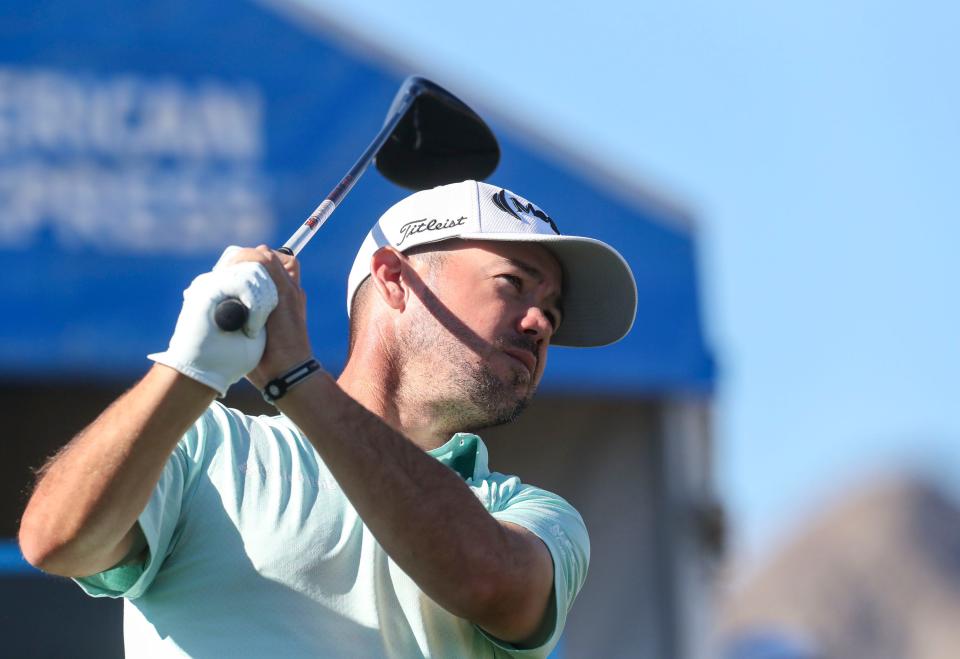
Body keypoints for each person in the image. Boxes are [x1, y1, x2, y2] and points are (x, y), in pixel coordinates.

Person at [18, 179, 637, 658]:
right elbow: (56, 540)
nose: (539, 325)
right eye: (513, 285)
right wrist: (188, 369)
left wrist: (293, 377)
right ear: (395, 279)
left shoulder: (533, 517)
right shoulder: (208, 444)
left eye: (552, 314)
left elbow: (488, 583)